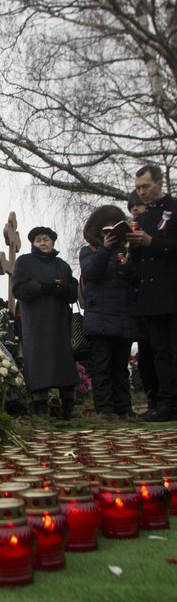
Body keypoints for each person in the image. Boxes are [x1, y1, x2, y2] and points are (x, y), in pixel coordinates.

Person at [12, 227, 79, 418]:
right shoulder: (24, 262)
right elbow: (19, 290)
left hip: (59, 320)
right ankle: (40, 405)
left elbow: (73, 293)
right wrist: (41, 287)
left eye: (47, 239)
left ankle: (68, 405)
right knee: (38, 361)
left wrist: (63, 289)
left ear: (53, 242)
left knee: (63, 360)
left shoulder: (62, 265)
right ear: (33, 244)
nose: (43, 243)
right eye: (38, 240)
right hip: (36, 322)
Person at [127, 164, 177, 421]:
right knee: (159, 351)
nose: (142, 192)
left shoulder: (174, 209)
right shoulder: (143, 218)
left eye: (145, 186)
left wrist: (152, 243)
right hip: (151, 295)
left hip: (172, 291)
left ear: (159, 183)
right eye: (137, 188)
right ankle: (165, 402)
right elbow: (139, 261)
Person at [79, 205, 138, 417]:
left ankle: (125, 409)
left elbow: (134, 279)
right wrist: (104, 249)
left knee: (120, 368)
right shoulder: (89, 251)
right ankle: (105, 410)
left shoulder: (126, 252)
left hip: (123, 318)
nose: (110, 236)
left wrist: (128, 258)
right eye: (105, 232)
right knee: (101, 368)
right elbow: (91, 274)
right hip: (100, 319)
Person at [127, 189, 158, 412]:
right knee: (146, 355)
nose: (135, 209)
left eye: (138, 205)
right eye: (131, 207)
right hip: (140, 304)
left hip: (160, 300)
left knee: (163, 352)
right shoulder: (129, 239)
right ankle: (153, 398)